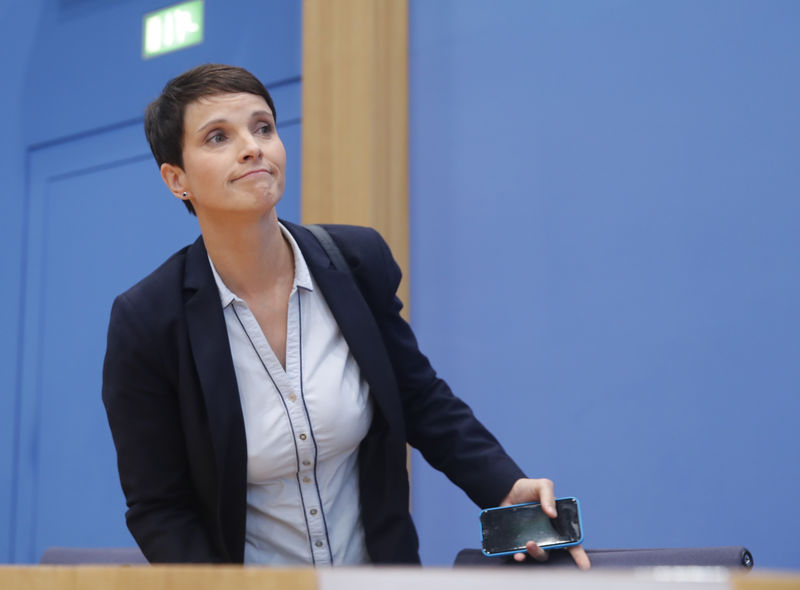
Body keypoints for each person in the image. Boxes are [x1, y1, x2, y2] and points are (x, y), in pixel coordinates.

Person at [102, 63, 590, 569]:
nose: (253, 147)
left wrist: (503, 483)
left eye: (263, 127)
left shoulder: (355, 261)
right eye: (218, 137)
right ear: (176, 178)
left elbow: (419, 398)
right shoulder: (148, 321)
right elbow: (159, 507)